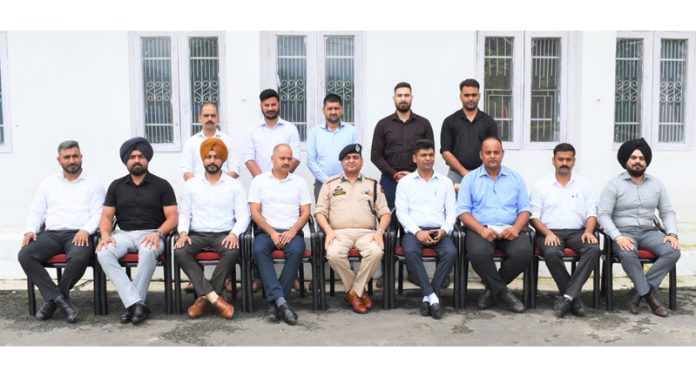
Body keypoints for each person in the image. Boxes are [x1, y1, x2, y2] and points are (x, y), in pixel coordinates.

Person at [18, 140, 105, 323]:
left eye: (75, 156)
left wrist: (86, 230)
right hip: (50, 235)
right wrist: (30, 230)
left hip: (79, 234)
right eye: (67, 157)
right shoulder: (48, 183)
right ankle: (59, 299)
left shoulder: (94, 183)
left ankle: (52, 301)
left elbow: (99, 213)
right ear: (59, 160)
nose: (72, 160)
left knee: (80, 257)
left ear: (81, 157)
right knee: (25, 254)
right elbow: (37, 211)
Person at [96, 138, 177, 324]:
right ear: (126, 161)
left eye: (141, 156)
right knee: (103, 252)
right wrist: (106, 236)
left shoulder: (162, 185)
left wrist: (158, 234)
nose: (136, 160)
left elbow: (173, 217)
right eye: (132, 157)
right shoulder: (116, 186)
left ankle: (132, 305)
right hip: (123, 234)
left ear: (147, 159)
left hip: (152, 233)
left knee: (148, 251)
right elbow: (107, 217)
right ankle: (136, 304)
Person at [598, 138, 680, 317]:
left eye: (642, 158)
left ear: (646, 162)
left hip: (649, 231)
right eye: (633, 157)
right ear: (626, 161)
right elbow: (603, 215)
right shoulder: (614, 185)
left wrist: (672, 233)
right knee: (628, 253)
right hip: (624, 233)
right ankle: (650, 297)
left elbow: (667, 211)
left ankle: (637, 292)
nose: (638, 161)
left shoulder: (656, 184)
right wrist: (617, 237)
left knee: (673, 251)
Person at [174, 138, 250, 320]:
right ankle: (215, 298)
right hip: (197, 234)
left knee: (232, 251)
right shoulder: (191, 184)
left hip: (223, 235)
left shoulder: (234, 185)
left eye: (216, 157)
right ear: (203, 159)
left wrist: (234, 233)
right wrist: (183, 233)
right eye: (208, 157)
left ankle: (203, 298)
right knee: (180, 251)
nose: (212, 160)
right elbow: (184, 214)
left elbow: (243, 215)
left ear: (222, 160)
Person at [456, 136, 531, 313]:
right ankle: (504, 293)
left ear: (502, 154)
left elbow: (525, 210)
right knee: (478, 253)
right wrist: (481, 230)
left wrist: (515, 228)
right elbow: (463, 212)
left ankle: (491, 291)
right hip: (480, 228)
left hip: (509, 228)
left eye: (496, 152)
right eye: (488, 152)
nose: (492, 156)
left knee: (524, 252)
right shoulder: (470, 179)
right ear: (481, 155)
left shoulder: (516, 178)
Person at [316, 143, 391, 314]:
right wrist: (328, 231)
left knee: (376, 252)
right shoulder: (330, 184)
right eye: (347, 158)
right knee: (333, 255)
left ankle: (353, 293)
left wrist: (380, 231)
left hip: (367, 233)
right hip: (339, 233)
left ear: (362, 161)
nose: (351, 161)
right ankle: (359, 292)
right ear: (341, 162)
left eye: (355, 157)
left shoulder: (372, 184)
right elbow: (320, 211)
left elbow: (385, 213)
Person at [529, 143, 600, 318]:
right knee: (552, 253)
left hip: (578, 232)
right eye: (561, 159)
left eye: (568, 159)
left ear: (574, 161)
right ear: (553, 161)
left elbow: (592, 213)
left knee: (593, 249)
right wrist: (548, 233)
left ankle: (567, 297)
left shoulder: (585, 185)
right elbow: (533, 217)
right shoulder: (542, 185)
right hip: (550, 232)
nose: (564, 162)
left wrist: (589, 231)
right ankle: (574, 299)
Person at [248, 143, 311, 325]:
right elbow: (255, 212)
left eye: (289, 158)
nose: (286, 162)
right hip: (267, 231)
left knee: (298, 250)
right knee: (259, 249)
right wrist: (272, 232)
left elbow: (306, 212)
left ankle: (275, 302)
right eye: (282, 158)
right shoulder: (259, 181)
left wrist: (292, 231)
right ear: (273, 159)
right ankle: (283, 302)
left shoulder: (299, 182)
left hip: (292, 232)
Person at [395, 139, 457, 319]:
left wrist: (444, 230)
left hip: (440, 230)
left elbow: (452, 211)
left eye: (431, 155)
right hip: (415, 231)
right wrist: (417, 232)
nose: (428, 158)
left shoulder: (445, 182)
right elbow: (402, 213)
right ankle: (433, 297)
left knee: (451, 252)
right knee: (410, 250)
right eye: (423, 155)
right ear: (415, 158)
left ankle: (428, 296)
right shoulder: (405, 183)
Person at [371, 82, 434, 211]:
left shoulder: (424, 124)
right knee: (390, 219)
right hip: (390, 180)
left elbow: (429, 153)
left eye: (406, 95)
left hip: (418, 179)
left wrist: (412, 175)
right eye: (399, 95)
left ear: (412, 98)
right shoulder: (383, 125)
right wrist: (394, 175)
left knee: (418, 217)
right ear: (394, 98)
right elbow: (375, 155)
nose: (403, 99)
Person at [440, 78, 498, 184]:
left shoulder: (489, 122)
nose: (470, 98)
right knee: (455, 201)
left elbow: (494, 150)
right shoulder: (450, 121)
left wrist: (479, 172)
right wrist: (465, 173)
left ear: (479, 96)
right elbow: (445, 152)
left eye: (474, 95)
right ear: (460, 97)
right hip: (456, 176)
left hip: (483, 175)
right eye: (466, 95)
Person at [307, 93, 358, 200]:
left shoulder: (351, 131)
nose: (333, 112)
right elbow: (311, 161)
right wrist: (326, 180)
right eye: (330, 108)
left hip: (347, 183)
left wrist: (345, 179)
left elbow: (355, 158)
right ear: (323, 110)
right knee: (322, 215)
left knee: (346, 215)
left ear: (342, 110)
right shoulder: (315, 132)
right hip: (322, 183)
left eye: (336, 108)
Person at [243, 89, 302, 177]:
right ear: (261, 106)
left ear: (279, 104)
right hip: (261, 184)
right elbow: (249, 159)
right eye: (266, 105)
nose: (270, 108)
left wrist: (280, 177)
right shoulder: (252, 130)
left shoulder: (290, 128)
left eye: (273, 105)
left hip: (285, 183)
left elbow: (296, 157)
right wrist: (263, 181)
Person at [181, 102, 240, 180]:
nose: (209, 119)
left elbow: (235, 169)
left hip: (223, 190)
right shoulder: (191, 142)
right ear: (200, 118)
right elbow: (186, 171)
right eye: (206, 115)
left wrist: (222, 186)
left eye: (213, 115)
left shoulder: (228, 141)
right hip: (198, 190)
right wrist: (197, 188)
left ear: (218, 118)